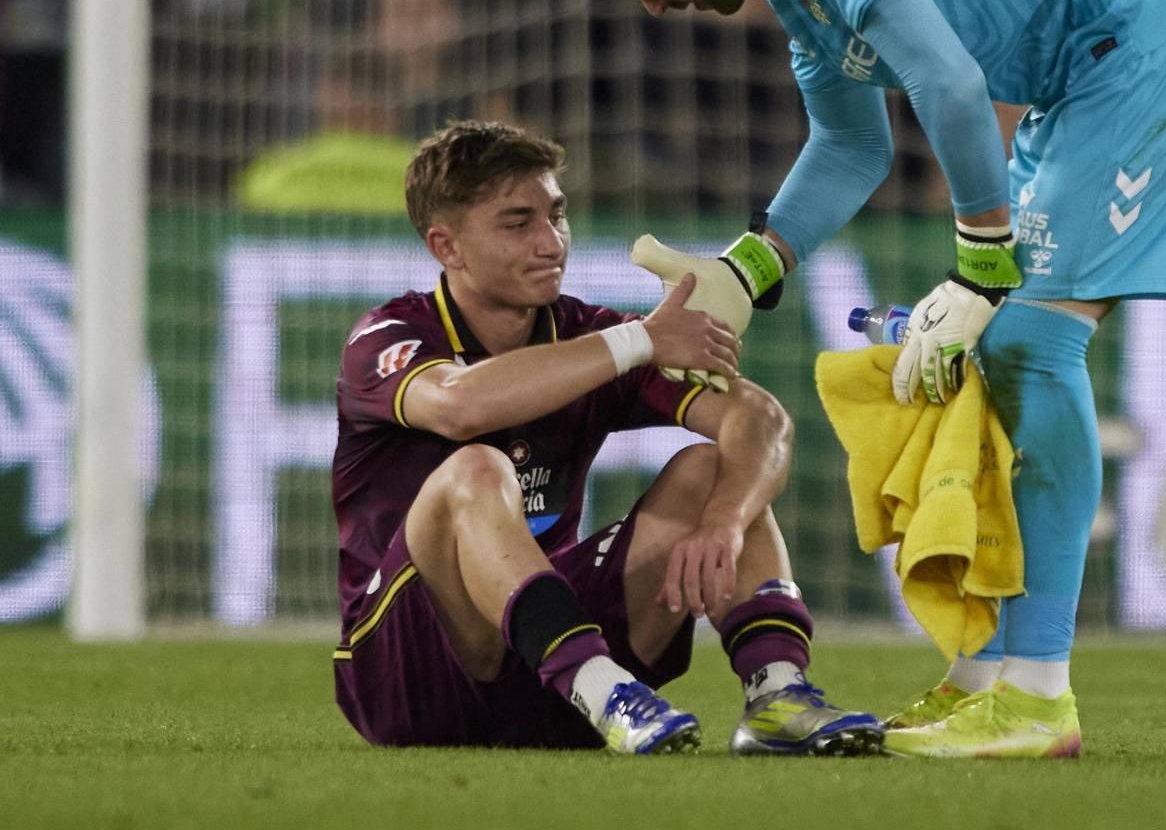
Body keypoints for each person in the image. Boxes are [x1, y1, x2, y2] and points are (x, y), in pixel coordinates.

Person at [552, 0, 1166, 759]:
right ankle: (986, 677)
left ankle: (1040, 697)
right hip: (1089, 68)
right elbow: (852, 147)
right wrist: (751, 263)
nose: (651, 6)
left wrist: (980, 260)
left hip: (1163, 24)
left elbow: (952, 83)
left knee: (1031, 343)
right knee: (979, 363)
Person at [333, 116, 883, 755]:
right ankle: (602, 689)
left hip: (542, 668)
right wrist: (640, 340)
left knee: (712, 468)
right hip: (408, 677)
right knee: (476, 469)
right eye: (518, 224)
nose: (551, 243)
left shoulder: (589, 335)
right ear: (446, 247)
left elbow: (760, 418)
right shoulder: (389, 336)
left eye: (556, 215)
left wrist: (725, 521)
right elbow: (460, 406)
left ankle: (776, 695)